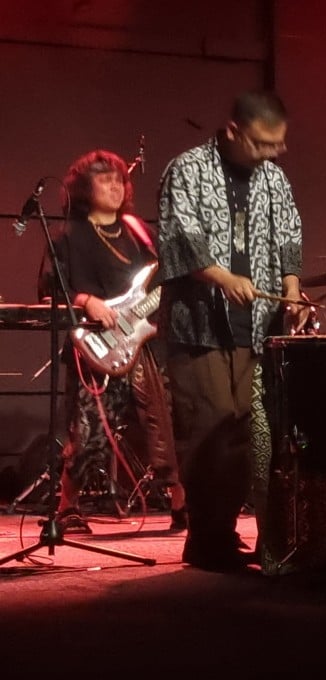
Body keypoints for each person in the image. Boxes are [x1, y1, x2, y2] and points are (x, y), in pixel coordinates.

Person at [157, 90, 307, 571]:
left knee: (242, 426)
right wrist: (222, 277)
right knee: (210, 424)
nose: (273, 153)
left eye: (279, 144)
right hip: (200, 323)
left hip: (252, 324)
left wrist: (292, 291)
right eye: (264, 144)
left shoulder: (274, 178)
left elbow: (287, 235)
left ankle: (223, 531)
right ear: (233, 132)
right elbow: (179, 236)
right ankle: (205, 536)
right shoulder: (188, 168)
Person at [38, 149, 186, 534]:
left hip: (145, 343)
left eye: (119, 180)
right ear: (84, 188)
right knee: (87, 430)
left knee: (165, 420)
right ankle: (68, 506)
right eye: (105, 180)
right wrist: (88, 300)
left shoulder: (139, 231)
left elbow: (162, 282)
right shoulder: (68, 235)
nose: (115, 186)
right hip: (97, 345)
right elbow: (50, 289)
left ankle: (181, 504)